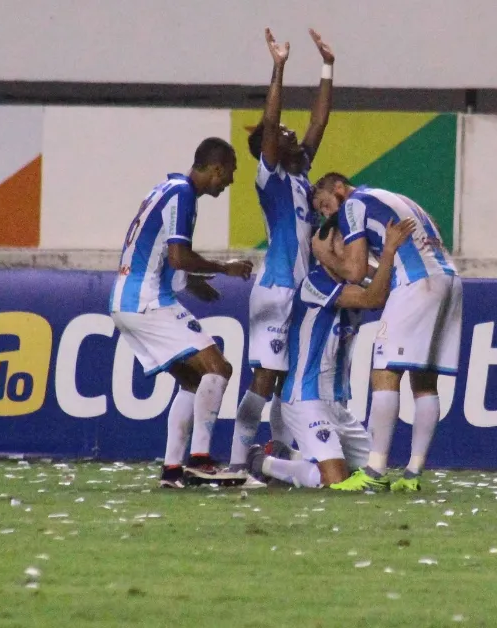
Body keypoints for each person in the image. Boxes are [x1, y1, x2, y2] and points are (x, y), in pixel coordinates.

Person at [108, 137, 254, 488]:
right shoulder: (183, 195)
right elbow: (177, 256)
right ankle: (201, 462)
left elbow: (162, 254)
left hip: (126, 299)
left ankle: (172, 471)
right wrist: (224, 267)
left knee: (192, 380)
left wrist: (192, 281)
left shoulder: (167, 188)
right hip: (145, 300)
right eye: (230, 173)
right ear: (216, 169)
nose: (231, 181)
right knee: (218, 368)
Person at [310, 176, 462, 492]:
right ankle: (413, 474)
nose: (328, 216)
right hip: (449, 280)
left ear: (338, 188)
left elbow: (352, 271)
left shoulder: (353, 204)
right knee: (425, 380)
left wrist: (323, 253)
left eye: (326, 205)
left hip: (415, 284)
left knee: (384, 372)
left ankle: (375, 470)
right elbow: (375, 269)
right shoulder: (395, 199)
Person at [229, 27, 337, 474]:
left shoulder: (300, 175)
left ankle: (270, 456)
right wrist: (279, 67)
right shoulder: (270, 179)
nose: (294, 135)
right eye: (283, 135)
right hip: (275, 290)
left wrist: (328, 66)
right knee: (265, 378)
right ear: (267, 151)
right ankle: (237, 462)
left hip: (299, 291)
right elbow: (272, 125)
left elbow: (318, 123)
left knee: (286, 378)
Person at [248, 216, 416, 488]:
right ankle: (261, 462)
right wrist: (387, 253)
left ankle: (290, 456)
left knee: (374, 477)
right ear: (325, 248)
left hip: (337, 404)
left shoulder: (351, 283)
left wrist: (381, 261)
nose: (353, 249)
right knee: (335, 480)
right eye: (345, 242)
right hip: (306, 399)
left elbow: (391, 288)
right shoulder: (315, 283)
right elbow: (373, 299)